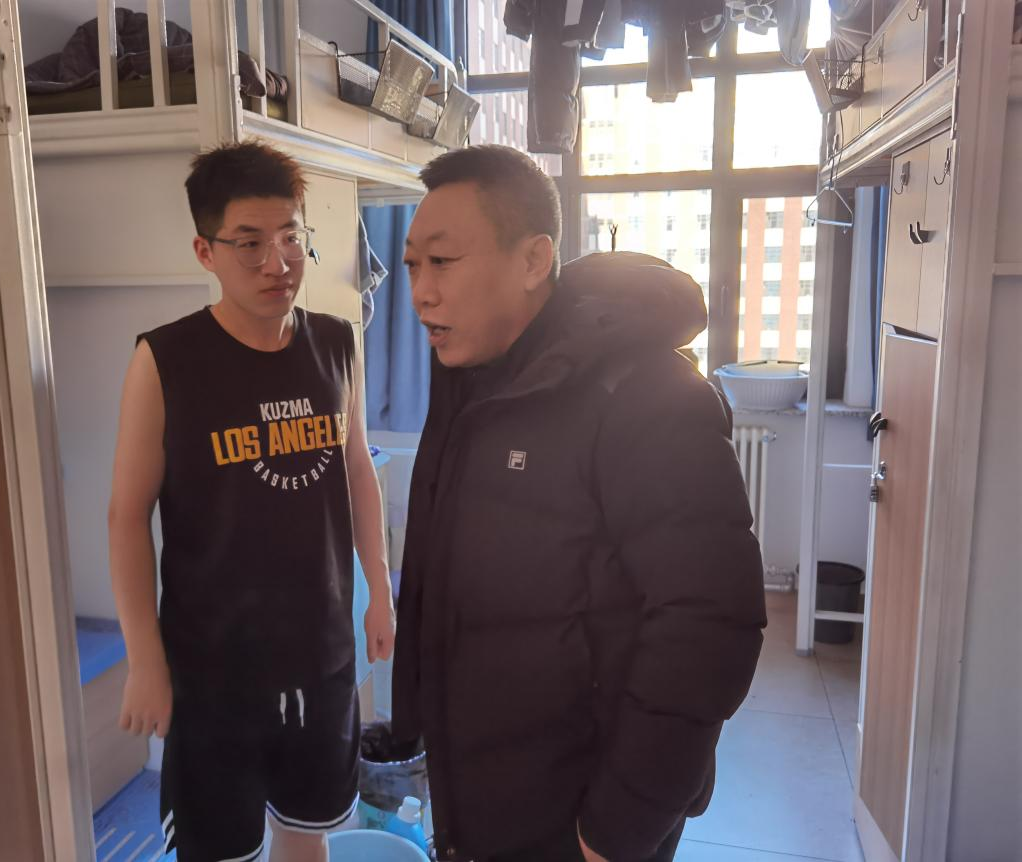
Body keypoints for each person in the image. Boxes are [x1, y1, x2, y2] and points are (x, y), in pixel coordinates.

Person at [391, 145, 767, 862]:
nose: (421, 294)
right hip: (486, 787)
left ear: (534, 260)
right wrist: (416, 725)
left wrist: (619, 827)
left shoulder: (647, 395)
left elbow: (708, 624)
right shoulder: (471, 382)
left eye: (443, 262)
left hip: (586, 816)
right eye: (412, 265)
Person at [107, 140, 394, 862]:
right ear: (205, 252)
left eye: (291, 237)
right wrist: (145, 658)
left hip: (320, 650)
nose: (277, 263)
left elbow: (356, 469)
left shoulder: (336, 343)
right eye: (249, 243)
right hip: (213, 669)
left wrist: (380, 591)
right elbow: (126, 516)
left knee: (308, 829)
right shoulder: (165, 360)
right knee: (221, 848)